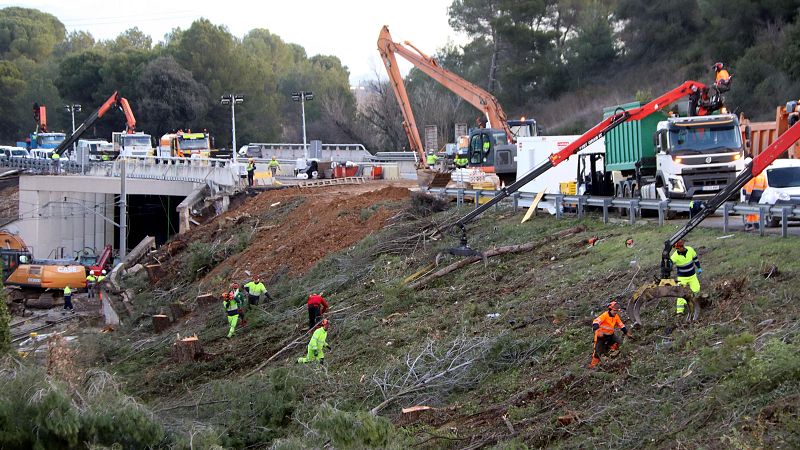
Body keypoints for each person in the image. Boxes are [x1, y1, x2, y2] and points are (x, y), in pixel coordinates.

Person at [590, 301, 632, 368]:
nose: (615, 312)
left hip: (610, 335)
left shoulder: (616, 316)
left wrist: (626, 332)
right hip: (601, 336)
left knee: (620, 343)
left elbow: (621, 325)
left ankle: (611, 352)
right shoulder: (604, 315)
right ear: (610, 309)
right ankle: (593, 366)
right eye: (614, 310)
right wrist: (597, 330)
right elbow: (595, 322)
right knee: (597, 352)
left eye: (616, 311)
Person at [669, 239, 701, 315]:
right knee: (680, 293)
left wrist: (699, 267)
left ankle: (694, 303)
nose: (678, 249)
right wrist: (669, 265)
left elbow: (695, 259)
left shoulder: (690, 250)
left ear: (682, 246)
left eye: (679, 248)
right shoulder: (675, 256)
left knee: (696, 289)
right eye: (676, 248)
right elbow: (670, 263)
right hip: (682, 278)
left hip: (692, 276)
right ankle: (680, 311)